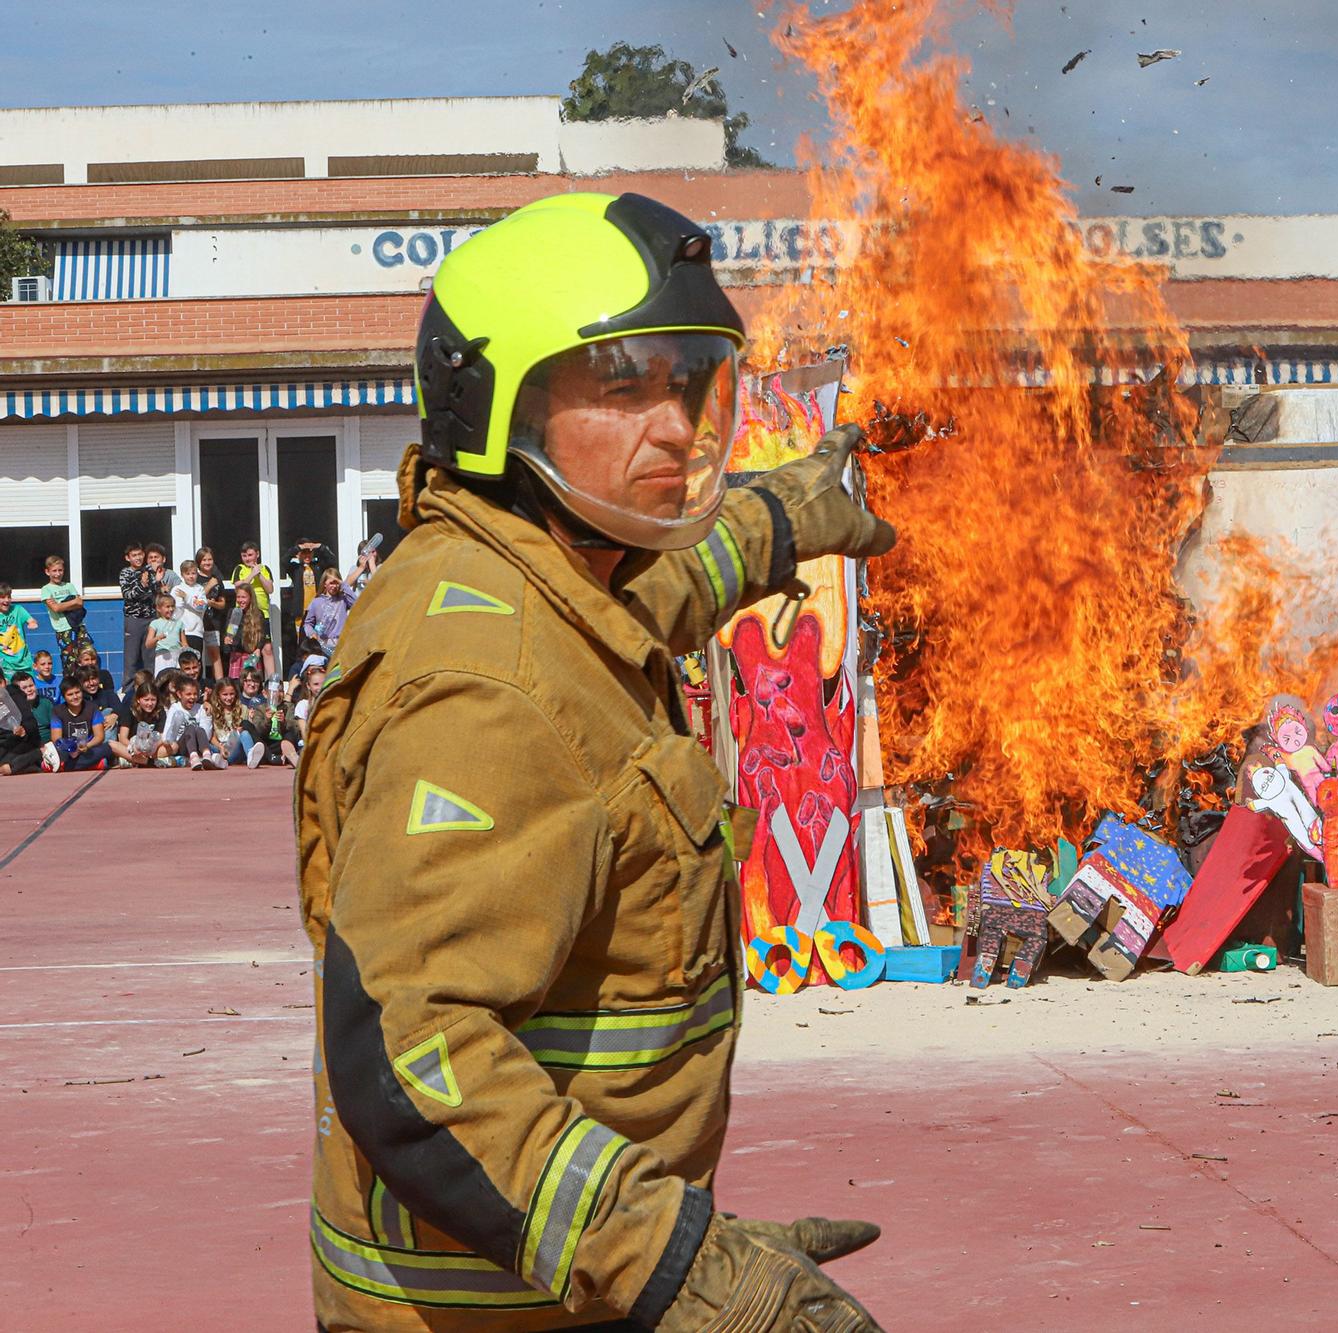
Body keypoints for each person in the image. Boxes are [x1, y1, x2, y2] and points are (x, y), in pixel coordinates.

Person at [297, 193, 892, 1333]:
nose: (672, 423)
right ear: (497, 409)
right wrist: (676, 1262)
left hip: (547, 1282)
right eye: (622, 388)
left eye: (683, 383)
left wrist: (785, 514)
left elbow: (647, 602)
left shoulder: (526, 578)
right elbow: (414, 1054)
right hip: (489, 1307)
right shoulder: (483, 685)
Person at [285, 536, 338, 667]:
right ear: (298, 555)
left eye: (309, 552)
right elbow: (283, 561)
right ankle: (303, 667)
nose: (307, 555)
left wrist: (319, 546)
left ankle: (321, 665)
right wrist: (298, 548)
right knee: (303, 642)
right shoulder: (296, 569)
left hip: (318, 613)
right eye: (304, 553)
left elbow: (332, 561)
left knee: (319, 640)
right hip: (301, 613)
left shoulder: (318, 567)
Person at [39, 554, 92, 679]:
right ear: (47, 572)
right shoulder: (46, 589)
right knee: (70, 663)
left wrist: (62, 604)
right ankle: (70, 688)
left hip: (79, 627)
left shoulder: (69, 586)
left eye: (60, 570)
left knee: (87, 657)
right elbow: (55, 608)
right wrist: (71, 603)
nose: (58, 574)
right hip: (63, 630)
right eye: (54, 571)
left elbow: (80, 602)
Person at [46, 678, 113, 772]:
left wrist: (87, 746)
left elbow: (99, 736)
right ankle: (93, 765)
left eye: (77, 692)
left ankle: (65, 767)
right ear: (64, 697)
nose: (75, 697)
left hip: (88, 748)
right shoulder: (57, 711)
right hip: (68, 751)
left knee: (107, 748)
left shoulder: (92, 708)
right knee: (58, 755)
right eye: (70, 694)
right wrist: (71, 748)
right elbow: (57, 739)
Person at [163, 676, 227, 769]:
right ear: (179, 694)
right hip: (181, 746)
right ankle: (194, 758)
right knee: (190, 728)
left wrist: (208, 716)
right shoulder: (175, 708)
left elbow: (206, 736)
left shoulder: (200, 708)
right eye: (188, 694)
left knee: (199, 729)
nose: (192, 697)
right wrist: (169, 743)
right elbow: (168, 731)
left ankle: (207, 756)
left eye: (195, 694)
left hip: (199, 747)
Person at [111, 683, 174, 768]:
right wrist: (134, 748)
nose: (150, 703)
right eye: (146, 700)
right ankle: (149, 762)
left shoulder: (160, 711)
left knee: (174, 746)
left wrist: (150, 748)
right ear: (138, 699)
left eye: (153, 700)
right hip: (132, 747)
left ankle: (133, 761)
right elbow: (123, 738)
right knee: (111, 744)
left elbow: (161, 736)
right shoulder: (129, 710)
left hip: (152, 748)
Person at [222, 583, 276, 683]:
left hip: (252, 656)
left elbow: (262, 635)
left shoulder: (258, 614)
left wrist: (259, 648)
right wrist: (227, 639)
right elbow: (229, 631)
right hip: (237, 655)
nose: (240, 600)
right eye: (238, 597)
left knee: (252, 684)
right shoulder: (234, 612)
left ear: (250, 598)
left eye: (244, 597)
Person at [300, 568, 355, 662]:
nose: (334, 586)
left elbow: (357, 603)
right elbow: (308, 623)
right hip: (323, 645)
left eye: (336, 583)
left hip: (341, 643)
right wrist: (312, 634)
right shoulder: (316, 602)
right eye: (331, 583)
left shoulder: (343, 600)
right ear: (324, 584)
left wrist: (343, 585)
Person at [208, 679, 266, 769]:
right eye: (225, 694)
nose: (229, 698)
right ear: (218, 695)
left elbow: (249, 730)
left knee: (245, 734)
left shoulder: (243, 709)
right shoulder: (213, 711)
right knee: (207, 744)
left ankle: (250, 757)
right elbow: (212, 736)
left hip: (236, 749)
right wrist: (220, 748)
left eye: (232, 694)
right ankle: (219, 761)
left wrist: (250, 719)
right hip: (220, 748)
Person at [117, 543, 152, 678]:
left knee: (149, 657)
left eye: (140, 554)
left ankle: (150, 688)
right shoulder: (125, 573)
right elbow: (128, 595)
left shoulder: (149, 571)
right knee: (131, 658)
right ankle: (127, 691)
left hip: (150, 617)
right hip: (134, 619)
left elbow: (153, 593)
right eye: (134, 555)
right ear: (128, 558)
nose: (138, 558)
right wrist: (143, 586)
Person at [171, 559, 209, 681]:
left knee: (196, 662)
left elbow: (201, 606)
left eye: (193, 573)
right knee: (181, 662)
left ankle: (197, 688)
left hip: (195, 631)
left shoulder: (199, 589)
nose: (191, 576)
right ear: (182, 575)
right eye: (188, 574)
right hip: (181, 632)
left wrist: (187, 597)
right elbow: (174, 610)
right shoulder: (177, 589)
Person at [195, 546, 229, 681]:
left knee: (215, 654)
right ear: (199, 562)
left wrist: (212, 604)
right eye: (204, 560)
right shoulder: (195, 578)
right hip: (197, 622)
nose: (207, 562)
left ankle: (220, 684)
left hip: (213, 621)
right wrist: (208, 587)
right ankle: (197, 684)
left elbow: (222, 603)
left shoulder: (217, 579)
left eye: (210, 559)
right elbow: (195, 598)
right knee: (197, 655)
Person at [0, 673, 40, 775]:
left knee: (9, 762)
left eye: (0, 683)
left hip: (22, 742)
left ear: (5, 682)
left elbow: (31, 724)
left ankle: (39, 754)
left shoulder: (15, 695)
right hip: (4, 745)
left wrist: (24, 729)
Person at [0, 583, 39, 682]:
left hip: (24, 661)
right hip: (6, 663)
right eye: (2, 597)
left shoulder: (18, 610)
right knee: (11, 692)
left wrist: (32, 623)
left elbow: (31, 620)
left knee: (28, 689)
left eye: (9, 597)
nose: (6, 600)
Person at [146, 592, 188, 676]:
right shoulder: (155, 623)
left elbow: (184, 643)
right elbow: (148, 644)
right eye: (167, 607)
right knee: (162, 679)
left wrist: (185, 649)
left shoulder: (179, 623)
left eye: (172, 606)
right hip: (162, 656)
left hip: (177, 656)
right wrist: (157, 638)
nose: (171, 609)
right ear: (158, 608)